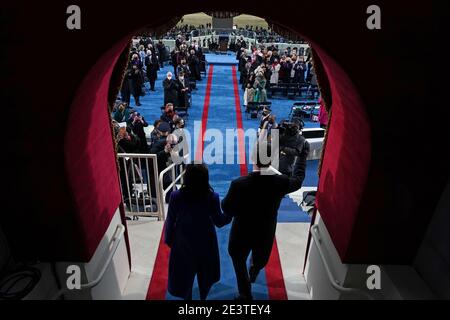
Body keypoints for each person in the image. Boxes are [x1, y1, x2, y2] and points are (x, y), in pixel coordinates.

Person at [221, 140, 308, 300]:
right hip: (265, 233)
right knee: (260, 260)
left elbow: (226, 208)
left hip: (241, 232)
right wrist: (302, 156)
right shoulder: (280, 182)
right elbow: (298, 180)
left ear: (253, 158)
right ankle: (254, 271)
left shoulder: (239, 184)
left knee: (238, 261)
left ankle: (245, 293)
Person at [165, 164, 231, 300]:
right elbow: (219, 221)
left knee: (184, 276)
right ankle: (203, 298)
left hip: (183, 241)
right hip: (206, 242)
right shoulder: (212, 197)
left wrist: (170, 241)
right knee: (206, 276)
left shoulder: (176, 196)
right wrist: (230, 214)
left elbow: (170, 221)